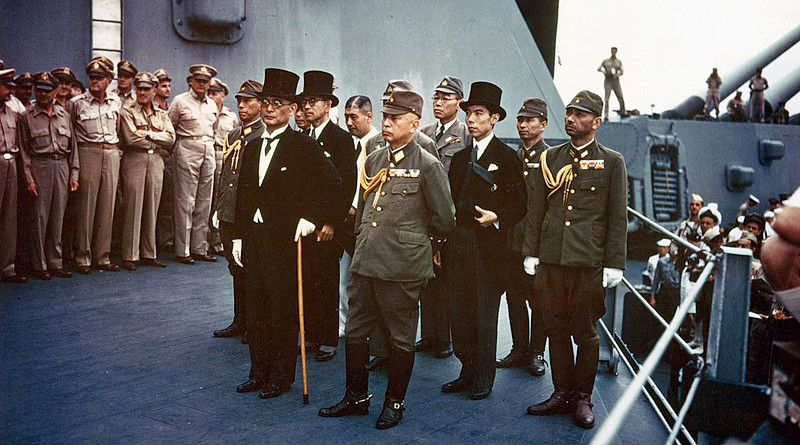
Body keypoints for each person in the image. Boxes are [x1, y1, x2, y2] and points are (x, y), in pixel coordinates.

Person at [319, 89, 455, 429]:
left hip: (402, 266)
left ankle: (394, 402)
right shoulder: (375, 158)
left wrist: (419, 247)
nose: (387, 123)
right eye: (385, 117)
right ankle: (356, 397)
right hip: (366, 260)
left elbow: (445, 220)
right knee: (355, 329)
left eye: (395, 118)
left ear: (414, 123)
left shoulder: (427, 164)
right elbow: (366, 208)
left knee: (400, 337)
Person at [230, 68, 341, 400]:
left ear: (293, 110)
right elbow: (244, 193)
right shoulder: (251, 146)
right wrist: (237, 236)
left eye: (277, 104)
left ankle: (280, 377)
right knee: (256, 309)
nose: (268, 109)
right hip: (255, 238)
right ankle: (258, 371)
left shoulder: (301, 146)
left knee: (282, 311)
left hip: (286, 242)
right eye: (265, 102)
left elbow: (332, 184)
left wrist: (312, 217)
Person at [524, 90, 628, 429]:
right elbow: (537, 209)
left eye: (579, 114)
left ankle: (583, 397)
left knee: (584, 331)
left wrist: (615, 263)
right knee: (554, 328)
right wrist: (531, 252)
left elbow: (616, 217)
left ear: (596, 122)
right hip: (552, 259)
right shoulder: (551, 157)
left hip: (587, 261)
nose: (570, 118)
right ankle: (562, 393)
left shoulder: (612, 162)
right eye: (568, 113)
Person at [443, 81, 527, 400]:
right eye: (469, 113)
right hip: (459, 241)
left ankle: (484, 377)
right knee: (460, 312)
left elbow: (520, 204)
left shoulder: (506, 157)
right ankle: (466, 369)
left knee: (482, 313)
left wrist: (497, 217)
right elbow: (451, 200)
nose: (472, 119)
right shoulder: (462, 157)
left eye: (479, 113)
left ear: (494, 118)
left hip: (488, 247)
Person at [299, 70, 358, 362]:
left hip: (326, 225)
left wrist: (332, 222)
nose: (308, 107)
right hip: (304, 223)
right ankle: (310, 334)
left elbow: (347, 184)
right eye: (305, 102)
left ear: (327, 105)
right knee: (308, 280)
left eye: (314, 101)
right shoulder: (302, 137)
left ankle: (327, 339)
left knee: (326, 281)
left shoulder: (340, 139)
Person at [416, 76, 469, 358]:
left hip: (451, 217)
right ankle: (429, 335)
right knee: (427, 279)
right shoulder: (424, 132)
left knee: (447, 279)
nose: (438, 103)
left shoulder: (465, 134)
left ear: (459, 103)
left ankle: (445, 338)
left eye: (446, 98)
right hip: (427, 217)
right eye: (436, 98)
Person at [498, 98, 550, 375]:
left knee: (538, 300)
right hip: (511, 242)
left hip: (536, 245)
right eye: (520, 120)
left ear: (543, 124)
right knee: (514, 297)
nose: (523, 125)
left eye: (530, 120)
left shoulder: (550, 159)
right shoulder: (513, 158)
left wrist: (540, 249)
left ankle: (537, 352)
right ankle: (519, 349)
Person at [211, 80, 264, 341]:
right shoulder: (233, 136)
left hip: (248, 214)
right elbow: (226, 176)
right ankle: (240, 320)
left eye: (248, 101)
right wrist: (219, 207)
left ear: (260, 104)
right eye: (239, 101)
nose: (242, 106)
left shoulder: (261, 136)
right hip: (230, 211)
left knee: (251, 268)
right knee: (235, 267)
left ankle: (254, 323)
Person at [17, 72, 79, 280]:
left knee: (57, 216)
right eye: (39, 91)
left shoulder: (64, 115)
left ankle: (55, 261)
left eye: (47, 91)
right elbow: (24, 151)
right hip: (39, 166)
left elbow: (73, 149)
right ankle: (39, 264)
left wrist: (74, 174)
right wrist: (29, 179)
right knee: (39, 217)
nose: (42, 95)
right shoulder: (26, 117)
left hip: (61, 166)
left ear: (55, 92)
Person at [70, 57, 122, 274]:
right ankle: (83, 256)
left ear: (109, 80)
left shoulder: (116, 102)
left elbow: (118, 129)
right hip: (87, 151)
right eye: (92, 77)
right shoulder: (77, 103)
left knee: (106, 206)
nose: (95, 81)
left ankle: (102, 255)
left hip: (110, 153)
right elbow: (72, 135)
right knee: (86, 207)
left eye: (100, 78)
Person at [118, 72, 175, 271]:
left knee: (152, 206)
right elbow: (131, 138)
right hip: (135, 158)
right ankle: (130, 255)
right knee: (133, 207)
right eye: (139, 88)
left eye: (147, 88)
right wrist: (157, 137)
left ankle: (149, 253)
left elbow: (171, 139)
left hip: (156, 159)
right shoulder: (127, 110)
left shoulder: (161, 114)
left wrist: (149, 133)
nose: (142, 92)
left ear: (153, 90)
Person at [168, 64, 219, 264]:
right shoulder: (180, 101)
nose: (201, 84)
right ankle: (183, 250)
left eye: (205, 81)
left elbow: (213, 129)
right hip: (187, 147)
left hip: (208, 148)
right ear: (191, 81)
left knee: (204, 202)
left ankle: (200, 248)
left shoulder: (212, 104)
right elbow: (170, 126)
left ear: (210, 84)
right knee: (185, 201)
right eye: (198, 80)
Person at [364, 80, 439, 159]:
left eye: (396, 102)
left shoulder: (425, 143)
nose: (388, 105)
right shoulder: (372, 142)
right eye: (385, 101)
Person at [0, 68, 27, 283]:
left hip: (12, 163)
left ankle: (7, 268)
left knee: (10, 218)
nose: (10, 90)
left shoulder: (12, 112)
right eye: (6, 86)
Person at [208, 78, 238, 256]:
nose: (211, 96)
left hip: (223, 156)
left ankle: (218, 241)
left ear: (223, 95)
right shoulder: (205, 111)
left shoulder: (230, 116)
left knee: (220, 199)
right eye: (209, 93)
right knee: (205, 201)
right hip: (206, 154)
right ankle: (203, 242)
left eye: (215, 93)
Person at [153, 68, 175, 252]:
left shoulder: (171, 108)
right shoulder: (151, 109)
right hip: (154, 154)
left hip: (169, 157)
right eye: (163, 86)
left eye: (168, 85)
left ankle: (165, 240)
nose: (167, 89)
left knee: (167, 200)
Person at [597, 47, 625, 119]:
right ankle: (606, 115)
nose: (613, 52)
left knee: (620, 97)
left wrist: (617, 75)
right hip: (608, 80)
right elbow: (599, 68)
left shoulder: (618, 62)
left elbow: (622, 71)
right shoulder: (606, 61)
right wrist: (604, 72)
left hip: (615, 81)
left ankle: (623, 111)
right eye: (612, 51)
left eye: (615, 51)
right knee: (607, 98)